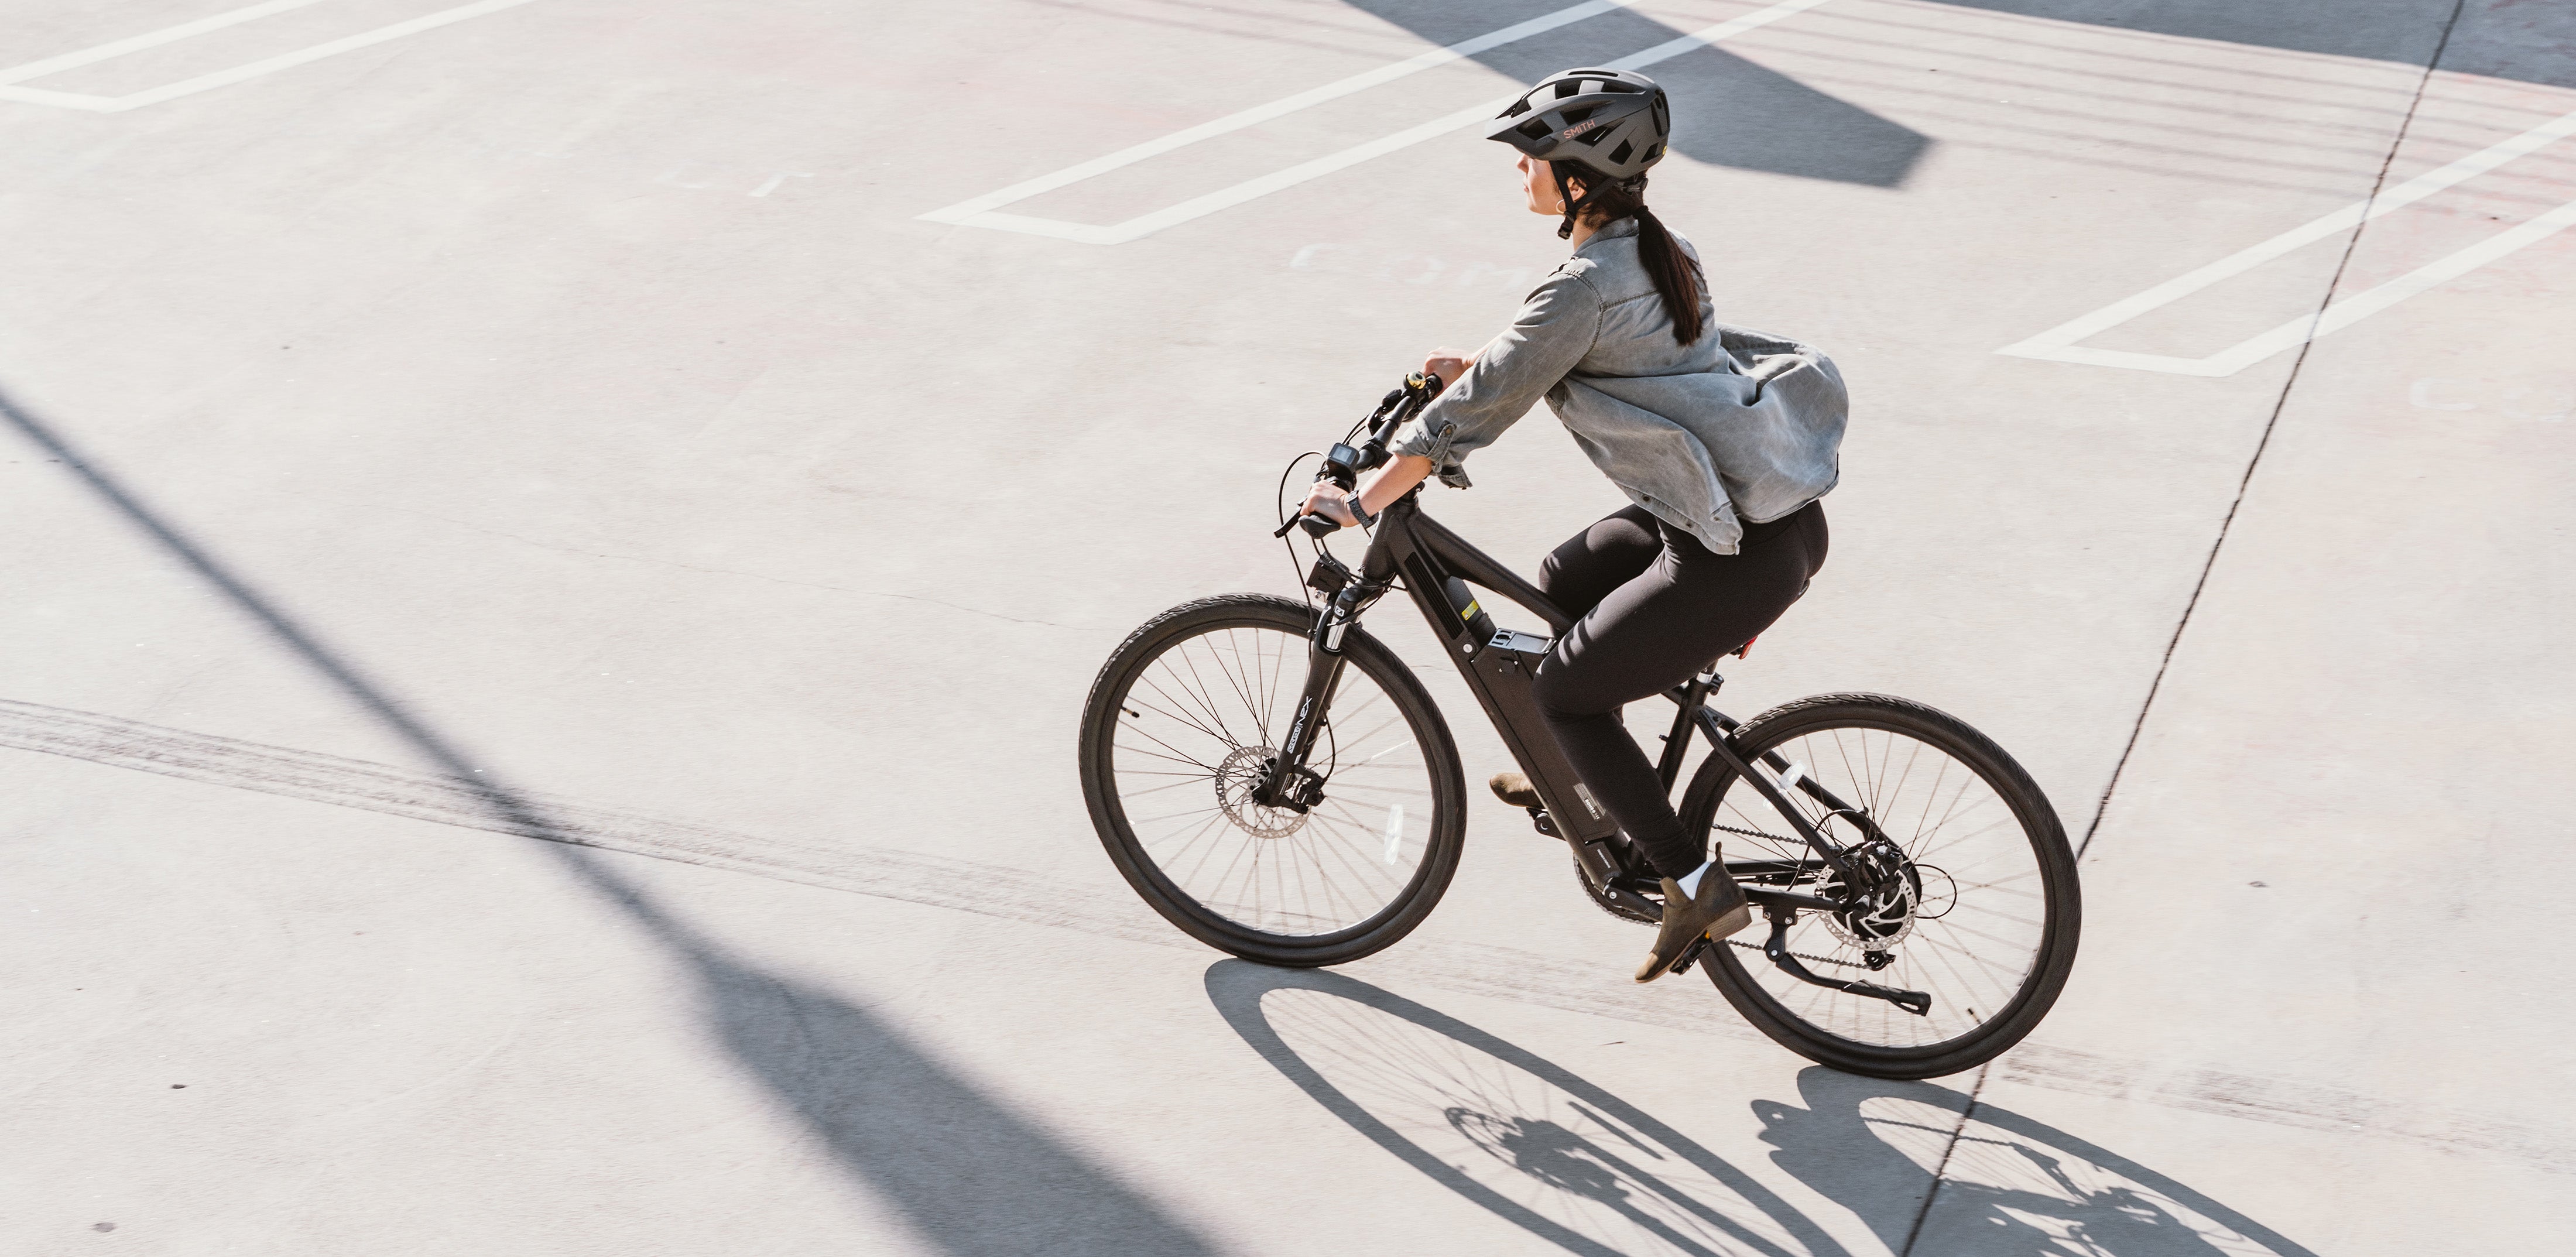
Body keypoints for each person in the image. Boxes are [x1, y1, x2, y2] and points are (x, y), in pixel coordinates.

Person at [1297, 67, 1847, 983]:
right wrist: (1473, 365)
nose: (1521, 171)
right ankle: (1585, 780)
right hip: (1771, 525)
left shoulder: (1579, 288)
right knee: (1560, 582)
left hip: (1731, 557)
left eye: (1533, 157)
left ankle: (1696, 883)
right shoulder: (1660, 249)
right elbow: (1588, 357)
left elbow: (1468, 418)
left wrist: (1362, 502)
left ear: (1578, 178)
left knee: (1565, 692)